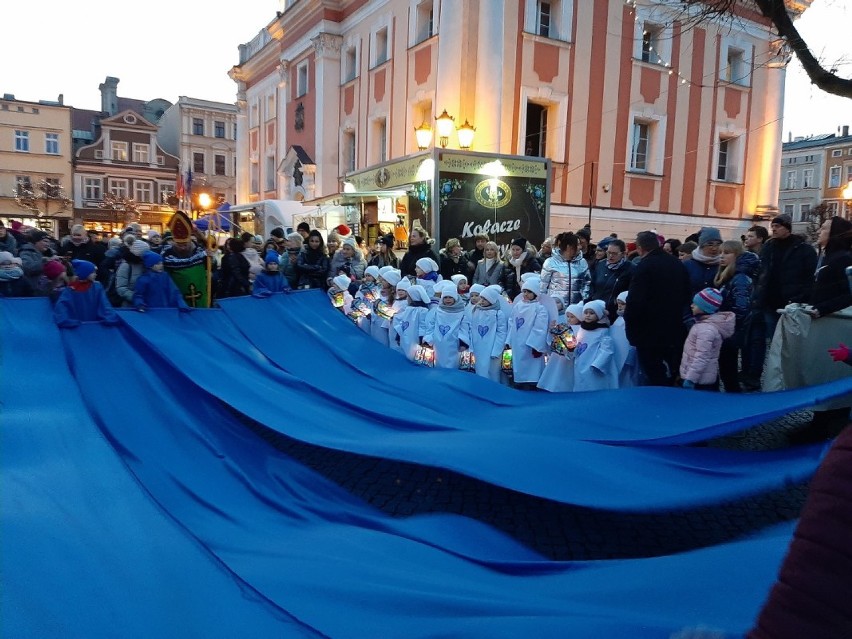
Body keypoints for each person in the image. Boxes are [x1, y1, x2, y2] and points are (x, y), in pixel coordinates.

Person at [625, 231, 691, 386]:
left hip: (648, 329)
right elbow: (687, 293)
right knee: (672, 366)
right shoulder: (676, 263)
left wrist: (631, 328)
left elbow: (635, 300)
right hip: (674, 327)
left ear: (640, 248)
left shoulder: (644, 266)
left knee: (652, 370)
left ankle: (658, 399)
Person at [752, 213, 818, 340]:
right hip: (769, 301)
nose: (774, 229)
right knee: (773, 339)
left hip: (791, 303)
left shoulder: (804, 249)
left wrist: (801, 296)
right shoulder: (768, 247)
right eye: (772, 226)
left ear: (787, 228)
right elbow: (761, 271)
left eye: (777, 226)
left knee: (790, 340)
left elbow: (809, 276)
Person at [715, 240, 759, 393]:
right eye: (720, 253)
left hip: (730, 330)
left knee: (728, 370)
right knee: (727, 368)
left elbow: (741, 307)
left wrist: (726, 323)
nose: (721, 256)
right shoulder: (730, 275)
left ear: (737, 255)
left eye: (726, 253)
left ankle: (734, 400)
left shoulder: (739, 277)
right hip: (727, 328)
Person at [679, 288, 735, 390]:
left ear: (705, 308)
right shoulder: (703, 325)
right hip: (702, 376)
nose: (691, 306)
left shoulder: (705, 330)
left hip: (699, 380)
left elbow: (702, 356)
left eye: (695, 304)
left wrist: (691, 379)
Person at [506, 275, 549, 388]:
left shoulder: (539, 308)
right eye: (524, 291)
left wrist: (536, 345)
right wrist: (509, 340)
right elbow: (512, 323)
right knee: (519, 365)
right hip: (517, 342)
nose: (525, 294)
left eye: (529, 292)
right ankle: (519, 383)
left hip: (530, 344)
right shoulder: (518, 306)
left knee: (532, 367)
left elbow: (540, 328)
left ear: (535, 293)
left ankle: (532, 384)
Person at [53, 260, 119, 328]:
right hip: (80, 327)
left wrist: (109, 317)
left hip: (92, 326)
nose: (95, 274)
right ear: (85, 273)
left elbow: (104, 304)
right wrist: (65, 320)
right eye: (93, 272)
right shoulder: (71, 289)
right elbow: (62, 306)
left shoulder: (97, 287)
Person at [462, 285, 508, 382]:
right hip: (478, 347)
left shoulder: (498, 314)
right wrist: (471, 345)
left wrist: (497, 349)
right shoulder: (475, 311)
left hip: (492, 349)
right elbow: (471, 329)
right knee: (479, 371)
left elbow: (501, 333)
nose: (481, 301)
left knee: (492, 372)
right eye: (481, 298)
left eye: (485, 299)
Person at [573, 299, 618, 392]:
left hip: (593, 363)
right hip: (581, 360)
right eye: (586, 312)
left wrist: (598, 364)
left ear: (598, 315)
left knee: (594, 383)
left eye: (592, 313)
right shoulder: (582, 328)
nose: (588, 315)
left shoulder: (602, 330)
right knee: (580, 382)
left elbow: (607, 349)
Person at [539, 231, 590, 309]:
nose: (580, 247)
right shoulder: (550, 262)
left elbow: (587, 283)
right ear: (569, 246)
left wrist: (584, 300)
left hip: (576, 310)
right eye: (578, 244)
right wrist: (544, 305)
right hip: (555, 308)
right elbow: (542, 287)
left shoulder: (582, 262)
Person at [536, 298, 578, 393]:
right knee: (555, 372)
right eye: (568, 316)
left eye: (572, 317)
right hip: (558, 354)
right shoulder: (564, 325)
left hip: (568, 357)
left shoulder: (578, 330)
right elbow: (552, 339)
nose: (569, 319)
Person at [587, 238, 634, 322]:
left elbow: (631, 291)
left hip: (615, 313)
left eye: (614, 253)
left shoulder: (630, 269)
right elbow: (592, 284)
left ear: (623, 254)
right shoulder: (600, 264)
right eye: (608, 252)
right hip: (596, 311)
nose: (610, 256)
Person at [423, 286, 466, 369]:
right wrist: (428, 339)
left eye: (450, 297)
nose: (448, 300)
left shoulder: (461, 312)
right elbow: (431, 325)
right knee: (437, 363)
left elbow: (464, 328)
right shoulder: (437, 311)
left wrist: (463, 342)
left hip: (454, 344)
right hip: (437, 343)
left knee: (452, 365)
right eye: (445, 297)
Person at [392, 283, 431, 361]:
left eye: (408, 297)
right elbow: (402, 323)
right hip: (405, 337)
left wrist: (421, 339)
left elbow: (422, 326)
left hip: (415, 339)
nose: (407, 299)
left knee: (413, 356)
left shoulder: (423, 311)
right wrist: (398, 336)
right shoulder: (408, 309)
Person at [610, 291, 639, 388]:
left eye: (623, 304)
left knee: (629, 378)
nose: (620, 306)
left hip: (629, 354)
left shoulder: (632, 320)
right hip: (617, 354)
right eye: (619, 304)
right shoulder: (618, 319)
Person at [683, 227, 723, 297]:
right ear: (701, 246)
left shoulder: (723, 265)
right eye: (710, 244)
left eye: (718, 244)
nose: (714, 248)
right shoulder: (688, 265)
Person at [114, 239, 148, 307]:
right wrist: (136, 298)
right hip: (130, 305)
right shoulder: (126, 265)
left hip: (146, 303)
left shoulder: (147, 265)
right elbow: (121, 288)